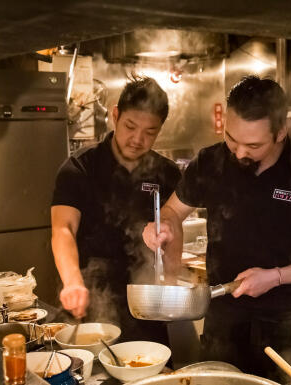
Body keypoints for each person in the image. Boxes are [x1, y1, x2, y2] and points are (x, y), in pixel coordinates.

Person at [143, 76, 291, 380]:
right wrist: (164, 226)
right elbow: (172, 210)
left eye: (253, 145)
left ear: (281, 131)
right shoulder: (210, 162)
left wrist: (275, 277)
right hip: (222, 314)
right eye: (231, 139)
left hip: (284, 322)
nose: (238, 153)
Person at [51, 76, 181, 345]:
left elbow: (173, 228)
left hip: (146, 307)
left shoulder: (167, 173)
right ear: (115, 115)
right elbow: (63, 228)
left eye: (150, 132)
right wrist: (73, 282)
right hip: (88, 300)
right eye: (130, 126)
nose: (138, 139)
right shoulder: (81, 167)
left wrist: (170, 280)